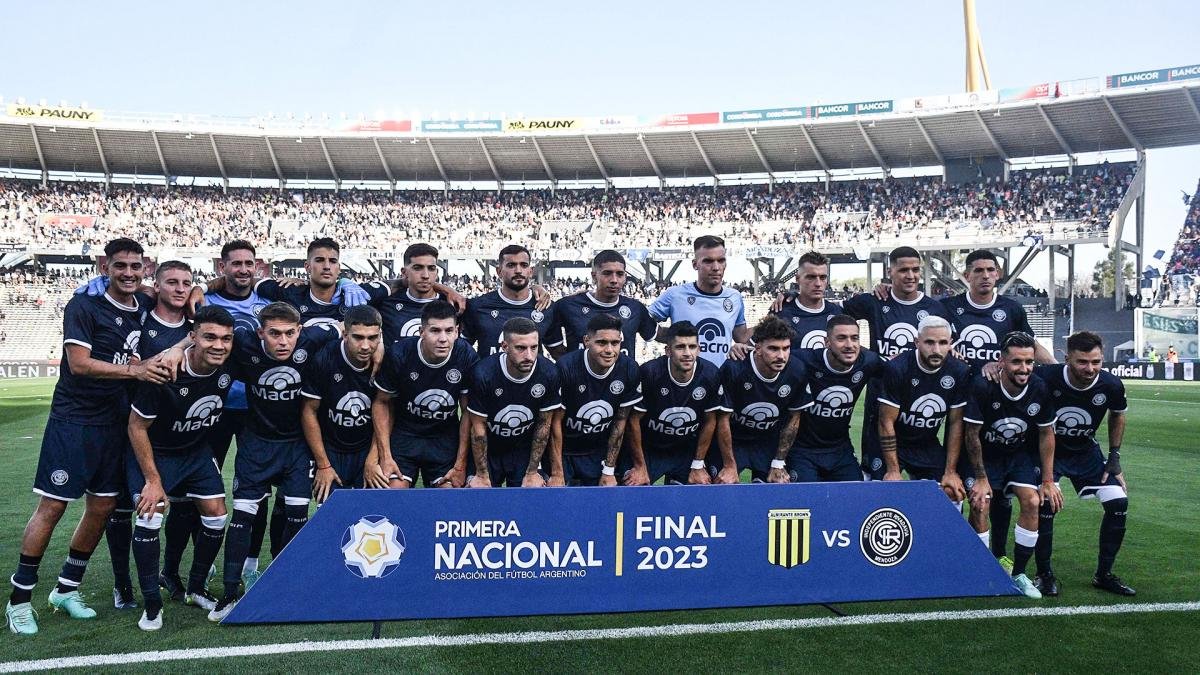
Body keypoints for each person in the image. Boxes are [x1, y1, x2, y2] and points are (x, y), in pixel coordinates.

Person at [7, 238, 171, 636]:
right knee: (53, 506)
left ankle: (66, 588)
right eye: (120, 266)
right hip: (75, 421)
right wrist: (135, 371)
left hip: (117, 423)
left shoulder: (144, 304)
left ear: (145, 268)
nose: (128, 273)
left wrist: (201, 290)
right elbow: (79, 364)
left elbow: (177, 293)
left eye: (135, 266)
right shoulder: (84, 306)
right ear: (104, 266)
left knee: (102, 507)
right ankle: (19, 600)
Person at [208, 302, 339, 621]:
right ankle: (229, 593)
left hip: (297, 446)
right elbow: (203, 340)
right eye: (275, 334)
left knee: (297, 515)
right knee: (242, 516)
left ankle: (285, 588)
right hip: (257, 443)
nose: (283, 341)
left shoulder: (314, 339)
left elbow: (345, 330)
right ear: (260, 333)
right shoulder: (244, 344)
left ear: (300, 331)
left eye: (290, 334)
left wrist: (377, 350)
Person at [125, 306, 236, 630]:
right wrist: (152, 480)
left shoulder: (230, 361)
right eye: (210, 337)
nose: (219, 345)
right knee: (150, 515)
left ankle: (196, 588)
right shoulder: (165, 372)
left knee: (217, 514)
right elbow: (136, 427)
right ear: (193, 338)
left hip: (195, 451)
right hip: (156, 452)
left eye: (226, 339)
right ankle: (152, 604)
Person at [948, 250, 1055, 563]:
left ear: (998, 274)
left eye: (990, 270)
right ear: (966, 275)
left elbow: (1030, 345)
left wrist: (1058, 368)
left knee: (1010, 499)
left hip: (1005, 403)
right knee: (974, 494)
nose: (985, 275)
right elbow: (932, 335)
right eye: (978, 270)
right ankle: (974, 562)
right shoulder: (948, 307)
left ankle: (1007, 564)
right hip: (963, 400)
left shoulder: (1011, 308)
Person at [108, 261, 196, 608]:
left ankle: (170, 572)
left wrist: (184, 342)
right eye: (172, 282)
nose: (180, 289)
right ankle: (122, 584)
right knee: (121, 508)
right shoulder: (139, 320)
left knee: (184, 504)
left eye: (186, 283)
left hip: (178, 433)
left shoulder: (196, 326)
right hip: (130, 424)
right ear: (156, 286)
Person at [1031, 331, 1134, 596]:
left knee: (1118, 502)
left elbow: (1118, 415)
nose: (1090, 369)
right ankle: (1044, 575)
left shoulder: (1111, 384)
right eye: (1082, 362)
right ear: (1067, 359)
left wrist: (1114, 457)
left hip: (1085, 452)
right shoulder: (1045, 377)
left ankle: (1104, 575)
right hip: (1047, 452)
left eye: (1096, 362)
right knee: (1046, 503)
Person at [962, 331, 1062, 599]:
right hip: (984, 457)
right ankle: (981, 573)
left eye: (1029, 362)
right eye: (1017, 361)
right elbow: (971, 435)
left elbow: (1046, 433)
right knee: (980, 503)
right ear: (1002, 361)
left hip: (1017, 456)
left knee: (1032, 501)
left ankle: (1018, 574)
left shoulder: (1039, 387)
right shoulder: (983, 386)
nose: (1024, 368)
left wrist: (1048, 480)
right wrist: (981, 477)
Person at [841, 246, 952, 479]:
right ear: (889, 272)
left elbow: (948, 349)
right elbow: (827, 312)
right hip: (880, 399)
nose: (910, 275)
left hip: (919, 403)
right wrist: (790, 297)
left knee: (932, 484)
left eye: (915, 270)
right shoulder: (874, 301)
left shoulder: (935, 308)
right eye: (903, 270)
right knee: (877, 479)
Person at [372, 300, 478, 488]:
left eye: (449, 331)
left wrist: (460, 465)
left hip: (444, 437)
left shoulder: (465, 355)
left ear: (457, 332)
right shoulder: (400, 354)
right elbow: (381, 402)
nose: (443, 338)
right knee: (392, 493)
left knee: (449, 496)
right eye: (435, 331)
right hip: (405, 434)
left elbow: (468, 412)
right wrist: (385, 456)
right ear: (421, 332)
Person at [877, 316, 972, 501]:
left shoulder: (959, 371)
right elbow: (885, 421)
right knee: (883, 494)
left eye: (942, 343)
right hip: (894, 442)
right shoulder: (897, 367)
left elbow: (956, 423)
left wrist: (950, 471)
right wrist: (893, 470)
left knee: (951, 491)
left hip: (926, 443)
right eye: (929, 342)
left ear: (950, 343)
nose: (936, 350)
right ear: (916, 342)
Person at [623, 321, 724, 485]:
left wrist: (698, 464)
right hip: (650, 448)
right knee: (633, 487)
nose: (687, 353)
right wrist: (640, 466)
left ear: (699, 349)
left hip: (685, 450)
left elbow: (710, 420)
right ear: (668, 351)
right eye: (680, 347)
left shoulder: (710, 374)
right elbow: (632, 421)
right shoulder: (650, 373)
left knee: (701, 487)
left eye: (692, 347)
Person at [299, 306, 383, 502]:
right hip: (331, 448)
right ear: (345, 334)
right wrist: (324, 465)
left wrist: (373, 459)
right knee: (331, 513)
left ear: (380, 336)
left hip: (367, 448)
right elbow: (308, 412)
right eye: (358, 337)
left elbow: (387, 411)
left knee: (370, 512)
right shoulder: (324, 359)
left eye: (372, 338)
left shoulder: (385, 362)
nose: (365, 346)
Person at [466, 318, 563, 487]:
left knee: (531, 493)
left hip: (523, 449)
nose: (529, 356)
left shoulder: (549, 373)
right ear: (504, 347)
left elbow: (544, 426)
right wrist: (481, 474)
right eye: (520, 348)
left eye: (534, 347)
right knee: (480, 494)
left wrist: (532, 472)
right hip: (490, 448)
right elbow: (478, 431)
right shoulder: (483, 373)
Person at [714, 315, 810, 483]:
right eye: (773, 349)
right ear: (757, 348)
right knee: (722, 485)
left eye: (786, 348)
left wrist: (779, 462)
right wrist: (729, 465)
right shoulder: (734, 368)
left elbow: (794, 418)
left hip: (767, 443)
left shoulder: (796, 370)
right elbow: (722, 419)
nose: (781, 356)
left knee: (778, 485)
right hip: (733, 441)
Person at [788, 315, 884, 482]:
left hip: (840, 450)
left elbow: (900, 369)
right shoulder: (803, 360)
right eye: (841, 338)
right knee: (808, 496)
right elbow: (768, 356)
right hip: (802, 450)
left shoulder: (869, 361)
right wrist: (741, 348)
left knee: (856, 493)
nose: (849, 345)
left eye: (854, 338)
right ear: (827, 342)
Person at [554, 313, 642, 485]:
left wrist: (609, 470)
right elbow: (554, 423)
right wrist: (557, 472)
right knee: (558, 498)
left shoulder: (629, 368)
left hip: (598, 451)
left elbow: (620, 422)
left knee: (606, 498)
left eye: (615, 343)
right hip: (565, 450)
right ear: (587, 341)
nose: (609, 350)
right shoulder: (566, 367)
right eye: (601, 343)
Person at [649, 235, 751, 368]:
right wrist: (672, 336)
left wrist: (775, 314)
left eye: (721, 260)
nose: (716, 267)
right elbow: (643, 320)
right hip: (685, 377)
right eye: (708, 261)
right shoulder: (675, 295)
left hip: (720, 376)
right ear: (695, 264)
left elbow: (741, 337)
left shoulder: (734, 297)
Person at [548, 250, 657, 357]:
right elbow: (554, 347)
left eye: (620, 274)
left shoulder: (636, 308)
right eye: (607, 273)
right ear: (594, 276)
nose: (614, 280)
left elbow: (661, 335)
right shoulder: (567, 306)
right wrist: (573, 364)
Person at [461, 245, 561, 357]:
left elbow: (558, 353)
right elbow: (461, 351)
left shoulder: (545, 307)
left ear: (530, 271)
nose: (518, 271)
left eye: (524, 265)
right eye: (511, 265)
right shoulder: (477, 306)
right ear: (499, 271)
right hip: (489, 369)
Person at [770, 251, 842, 350]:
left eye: (823, 277)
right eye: (811, 277)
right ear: (797, 279)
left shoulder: (836, 313)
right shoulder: (781, 312)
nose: (818, 283)